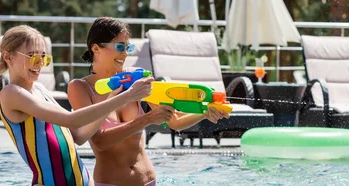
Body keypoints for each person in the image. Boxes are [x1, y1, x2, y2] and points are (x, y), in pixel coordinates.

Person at [67, 17, 230, 186]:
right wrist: (148, 119)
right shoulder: (80, 88)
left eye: (127, 47)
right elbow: (101, 142)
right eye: (119, 47)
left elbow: (175, 121)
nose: (125, 53)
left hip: (148, 181)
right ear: (96, 48)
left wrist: (204, 112)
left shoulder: (135, 77)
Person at [0, 25, 152, 186]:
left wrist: (113, 96)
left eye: (44, 57)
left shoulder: (40, 89)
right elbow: (71, 119)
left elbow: (79, 136)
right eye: (32, 56)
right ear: (8, 57)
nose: (39, 64)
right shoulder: (11, 93)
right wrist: (126, 97)